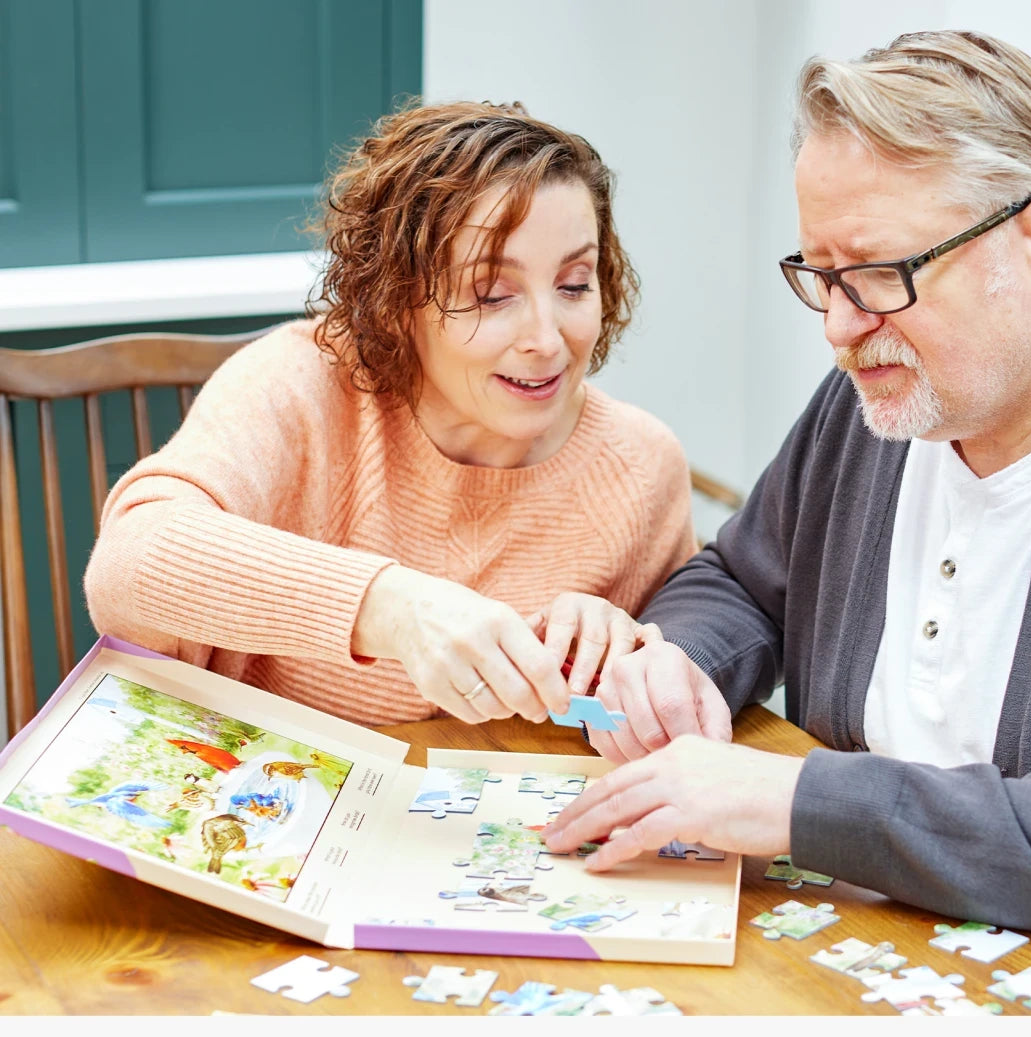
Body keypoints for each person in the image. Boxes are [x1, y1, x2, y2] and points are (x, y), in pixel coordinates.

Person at [543, 30, 1031, 954]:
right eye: (821, 275)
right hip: (845, 953)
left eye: (878, 274)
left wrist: (803, 802)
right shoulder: (893, 383)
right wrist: (682, 662)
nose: (838, 326)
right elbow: (745, 581)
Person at [85, 101, 696, 727]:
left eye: (573, 284)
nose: (547, 336)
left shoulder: (641, 466)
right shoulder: (302, 386)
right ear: (398, 301)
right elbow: (127, 563)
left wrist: (623, 653)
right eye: (490, 294)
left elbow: (666, 706)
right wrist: (391, 608)